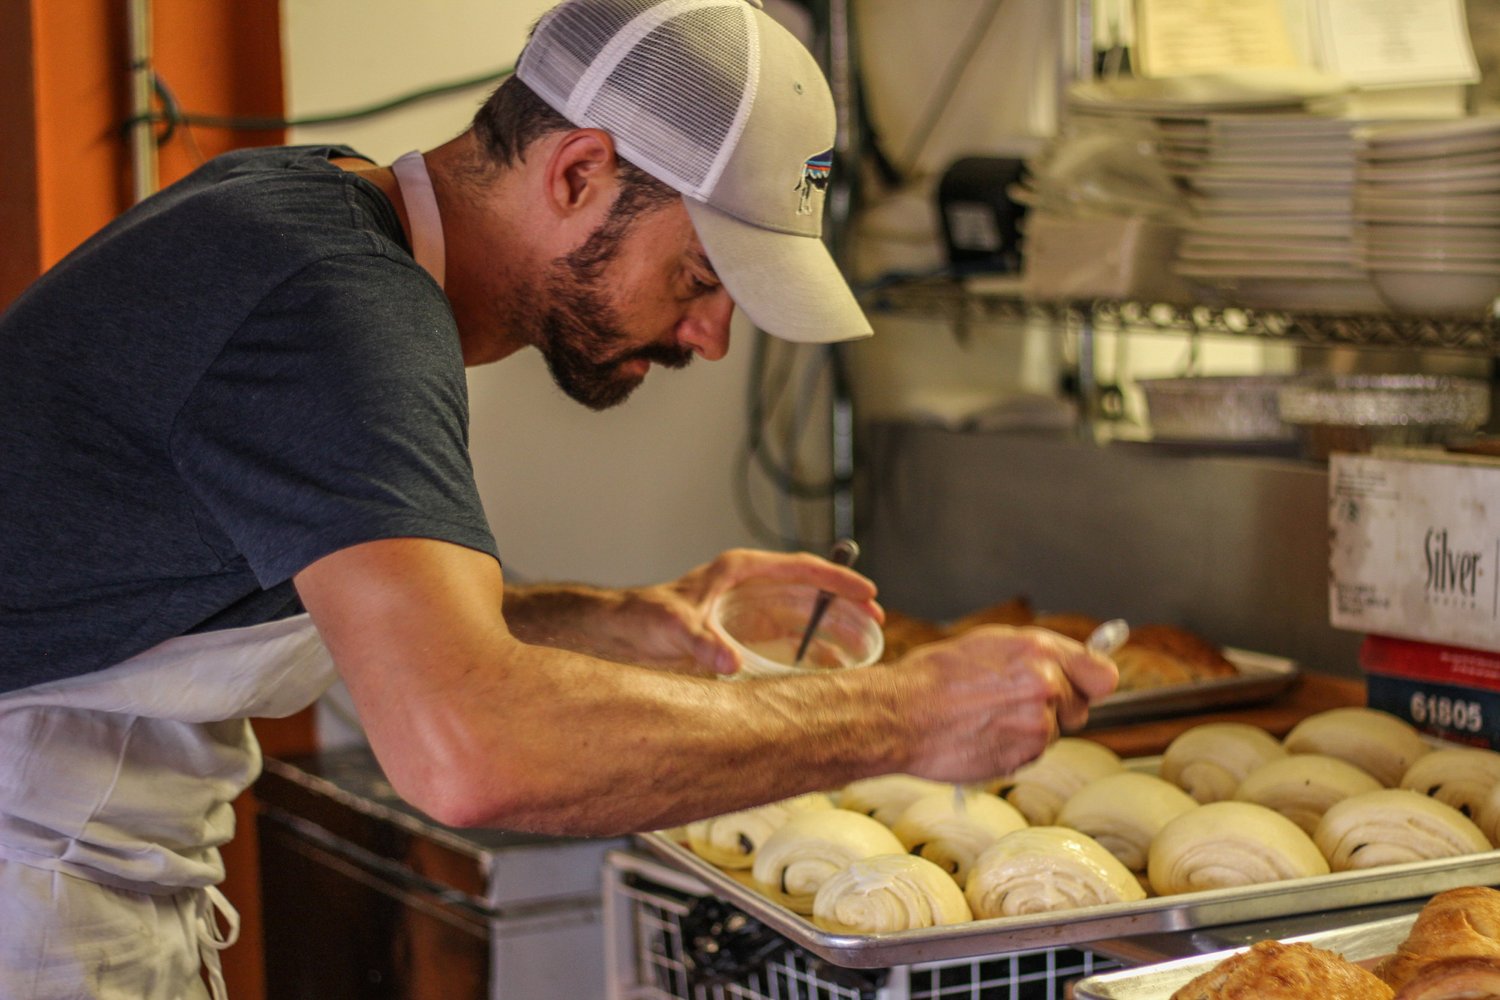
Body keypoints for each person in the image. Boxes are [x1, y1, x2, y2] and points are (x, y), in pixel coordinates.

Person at [0, 0, 1117, 996]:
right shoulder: (342, 314)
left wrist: (626, 620)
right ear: (579, 171)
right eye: (700, 275)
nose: (713, 336)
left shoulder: (308, 216)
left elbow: (379, 616)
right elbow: (470, 750)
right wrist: (908, 716)